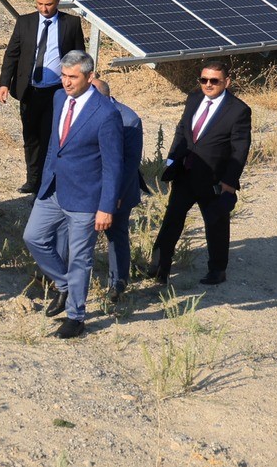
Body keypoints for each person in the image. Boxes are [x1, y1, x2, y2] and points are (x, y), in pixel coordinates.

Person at [22, 51, 123, 340]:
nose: (66, 82)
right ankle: (65, 286)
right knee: (33, 237)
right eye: (63, 76)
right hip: (54, 189)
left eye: (72, 77)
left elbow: (112, 165)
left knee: (80, 258)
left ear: (90, 77)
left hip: (86, 198)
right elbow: (56, 144)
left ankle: (76, 316)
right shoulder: (58, 99)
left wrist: (106, 207)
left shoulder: (106, 113)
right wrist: (45, 179)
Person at [152, 58, 252, 287]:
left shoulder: (238, 110)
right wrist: (171, 159)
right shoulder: (194, 98)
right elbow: (182, 129)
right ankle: (159, 266)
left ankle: (217, 270)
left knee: (216, 225)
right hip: (185, 173)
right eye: (203, 79)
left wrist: (229, 182)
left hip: (213, 180)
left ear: (226, 82)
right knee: (172, 220)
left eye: (214, 81)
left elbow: (240, 150)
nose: (208, 84)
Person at [0, 0, 86, 194]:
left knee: (49, 137)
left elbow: (79, 57)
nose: (44, 9)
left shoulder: (70, 24)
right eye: (40, 4)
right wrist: (4, 83)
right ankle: (32, 179)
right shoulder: (25, 22)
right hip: (29, 90)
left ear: (57, 2)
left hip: (56, 92)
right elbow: (12, 55)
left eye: (48, 4)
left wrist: (79, 87)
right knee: (31, 136)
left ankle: (46, 183)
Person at [92, 76, 147, 297]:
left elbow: (130, 163)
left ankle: (118, 283)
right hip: (90, 188)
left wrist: (115, 195)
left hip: (119, 191)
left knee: (117, 235)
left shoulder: (128, 119)